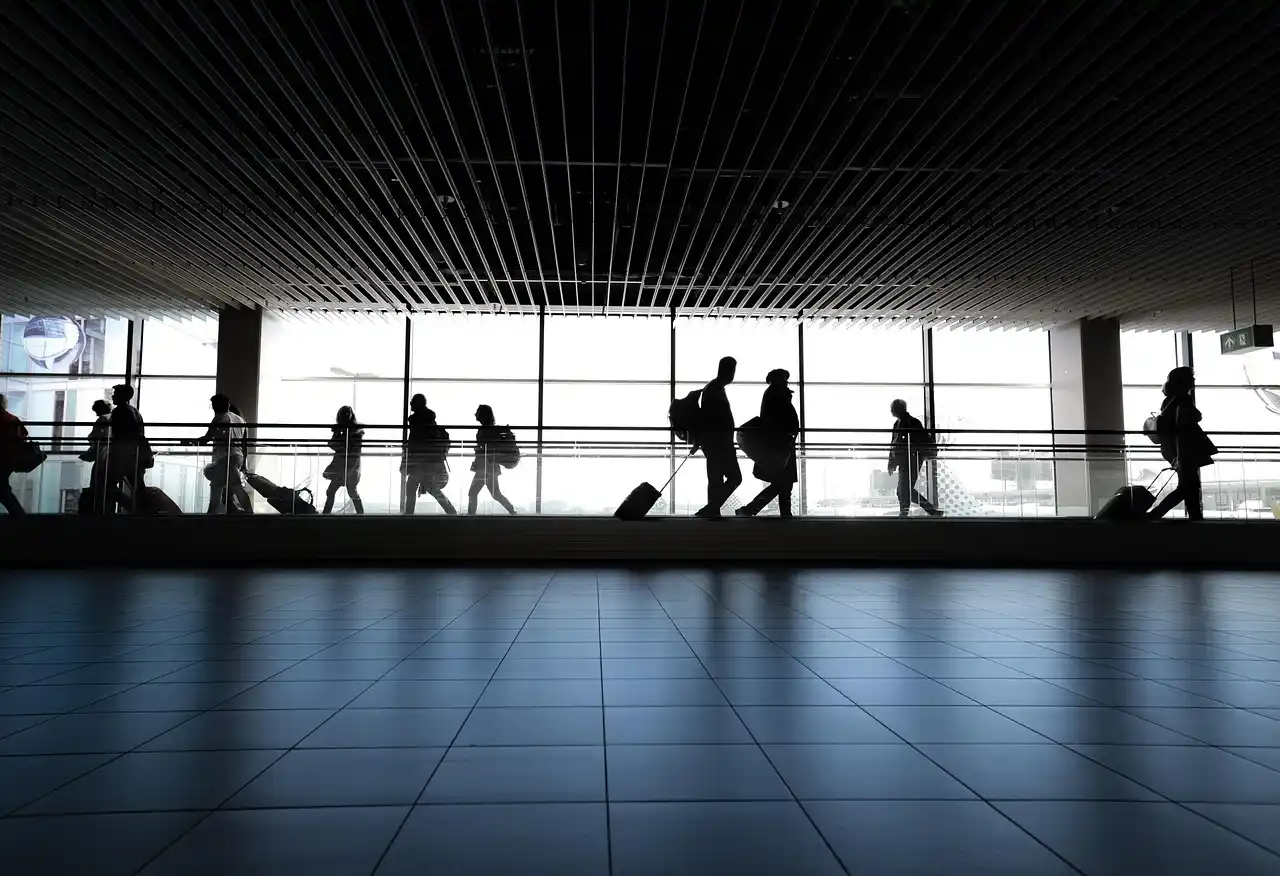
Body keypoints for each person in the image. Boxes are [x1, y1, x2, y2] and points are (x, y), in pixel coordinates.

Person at [1149, 366, 1216, 520]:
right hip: (1184, 449)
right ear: (1183, 380)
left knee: (1188, 486)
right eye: (1191, 377)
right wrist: (1181, 455)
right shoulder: (1184, 399)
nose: (1194, 379)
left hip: (1173, 449)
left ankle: (1194, 516)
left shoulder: (1169, 400)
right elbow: (1183, 429)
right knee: (1188, 486)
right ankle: (1156, 515)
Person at [736, 368, 799, 518]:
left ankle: (752, 510)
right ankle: (779, 513)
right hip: (781, 444)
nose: (787, 382)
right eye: (784, 379)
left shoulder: (772, 394)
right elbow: (782, 420)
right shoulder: (777, 395)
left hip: (779, 444)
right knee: (783, 483)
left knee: (782, 483)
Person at [185, 394, 253, 514]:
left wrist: (191, 442)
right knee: (217, 486)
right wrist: (243, 464)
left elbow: (206, 439)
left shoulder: (219, 418)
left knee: (236, 488)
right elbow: (244, 445)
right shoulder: (241, 420)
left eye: (214, 406)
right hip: (237, 457)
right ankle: (212, 514)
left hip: (226, 458)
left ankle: (250, 514)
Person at [695, 356, 742, 519]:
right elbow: (711, 418)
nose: (733, 375)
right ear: (727, 370)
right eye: (732, 370)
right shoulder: (715, 389)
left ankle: (712, 509)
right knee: (734, 477)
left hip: (714, 441)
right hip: (719, 442)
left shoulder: (713, 388)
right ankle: (712, 508)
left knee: (716, 478)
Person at [403, 393, 456, 515]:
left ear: (417, 404)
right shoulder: (429, 420)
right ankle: (451, 512)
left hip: (422, 461)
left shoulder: (418, 421)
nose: (410, 403)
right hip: (430, 460)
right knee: (429, 487)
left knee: (414, 486)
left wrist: (407, 461)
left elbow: (413, 443)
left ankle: (408, 515)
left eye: (412, 402)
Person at [888, 398, 942, 518]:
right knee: (905, 490)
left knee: (904, 490)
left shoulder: (911, 423)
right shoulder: (899, 424)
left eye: (892, 408)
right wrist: (891, 463)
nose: (891, 410)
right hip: (905, 460)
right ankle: (932, 511)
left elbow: (895, 445)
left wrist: (892, 462)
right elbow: (894, 444)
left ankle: (904, 513)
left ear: (898, 409)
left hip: (911, 460)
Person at [101, 384, 149, 512]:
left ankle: (134, 508)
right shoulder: (134, 411)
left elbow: (120, 434)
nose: (113, 396)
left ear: (123, 396)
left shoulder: (119, 411)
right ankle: (141, 509)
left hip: (123, 455)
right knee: (137, 485)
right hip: (133, 454)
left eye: (116, 393)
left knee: (107, 485)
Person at [467, 404, 516, 515]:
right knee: (495, 494)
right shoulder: (492, 429)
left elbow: (485, 446)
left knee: (473, 493)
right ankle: (512, 510)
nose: (476, 415)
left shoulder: (485, 430)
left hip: (485, 466)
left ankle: (470, 516)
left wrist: (478, 449)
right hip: (490, 465)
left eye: (478, 413)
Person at [322, 406, 364, 514]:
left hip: (346, 467)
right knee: (351, 492)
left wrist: (338, 438)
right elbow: (355, 453)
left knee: (335, 491)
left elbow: (354, 454)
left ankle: (326, 514)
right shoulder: (354, 432)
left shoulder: (351, 433)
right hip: (348, 468)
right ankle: (361, 515)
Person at [0, 393, 29, 515]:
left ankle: (19, 515)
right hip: (8, 457)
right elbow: (24, 434)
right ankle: (19, 516)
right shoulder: (12, 418)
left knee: (3, 488)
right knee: (2, 486)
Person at [79, 399, 112, 463]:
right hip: (109, 448)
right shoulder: (112, 418)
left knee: (99, 468)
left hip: (101, 448)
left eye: (96, 411)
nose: (96, 414)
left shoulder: (101, 420)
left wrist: (90, 438)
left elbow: (96, 434)